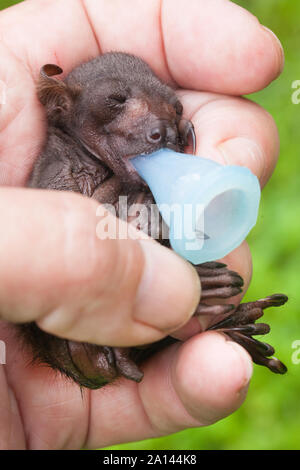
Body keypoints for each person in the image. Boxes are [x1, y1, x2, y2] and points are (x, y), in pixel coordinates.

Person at [0, 0, 284, 450]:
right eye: (116, 103)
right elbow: (89, 231)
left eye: (171, 113)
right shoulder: (62, 165)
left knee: (192, 277)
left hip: (124, 337)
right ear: (60, 105)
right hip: (71, 340)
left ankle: (200, 323)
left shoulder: (135, 179)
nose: (156, 128)